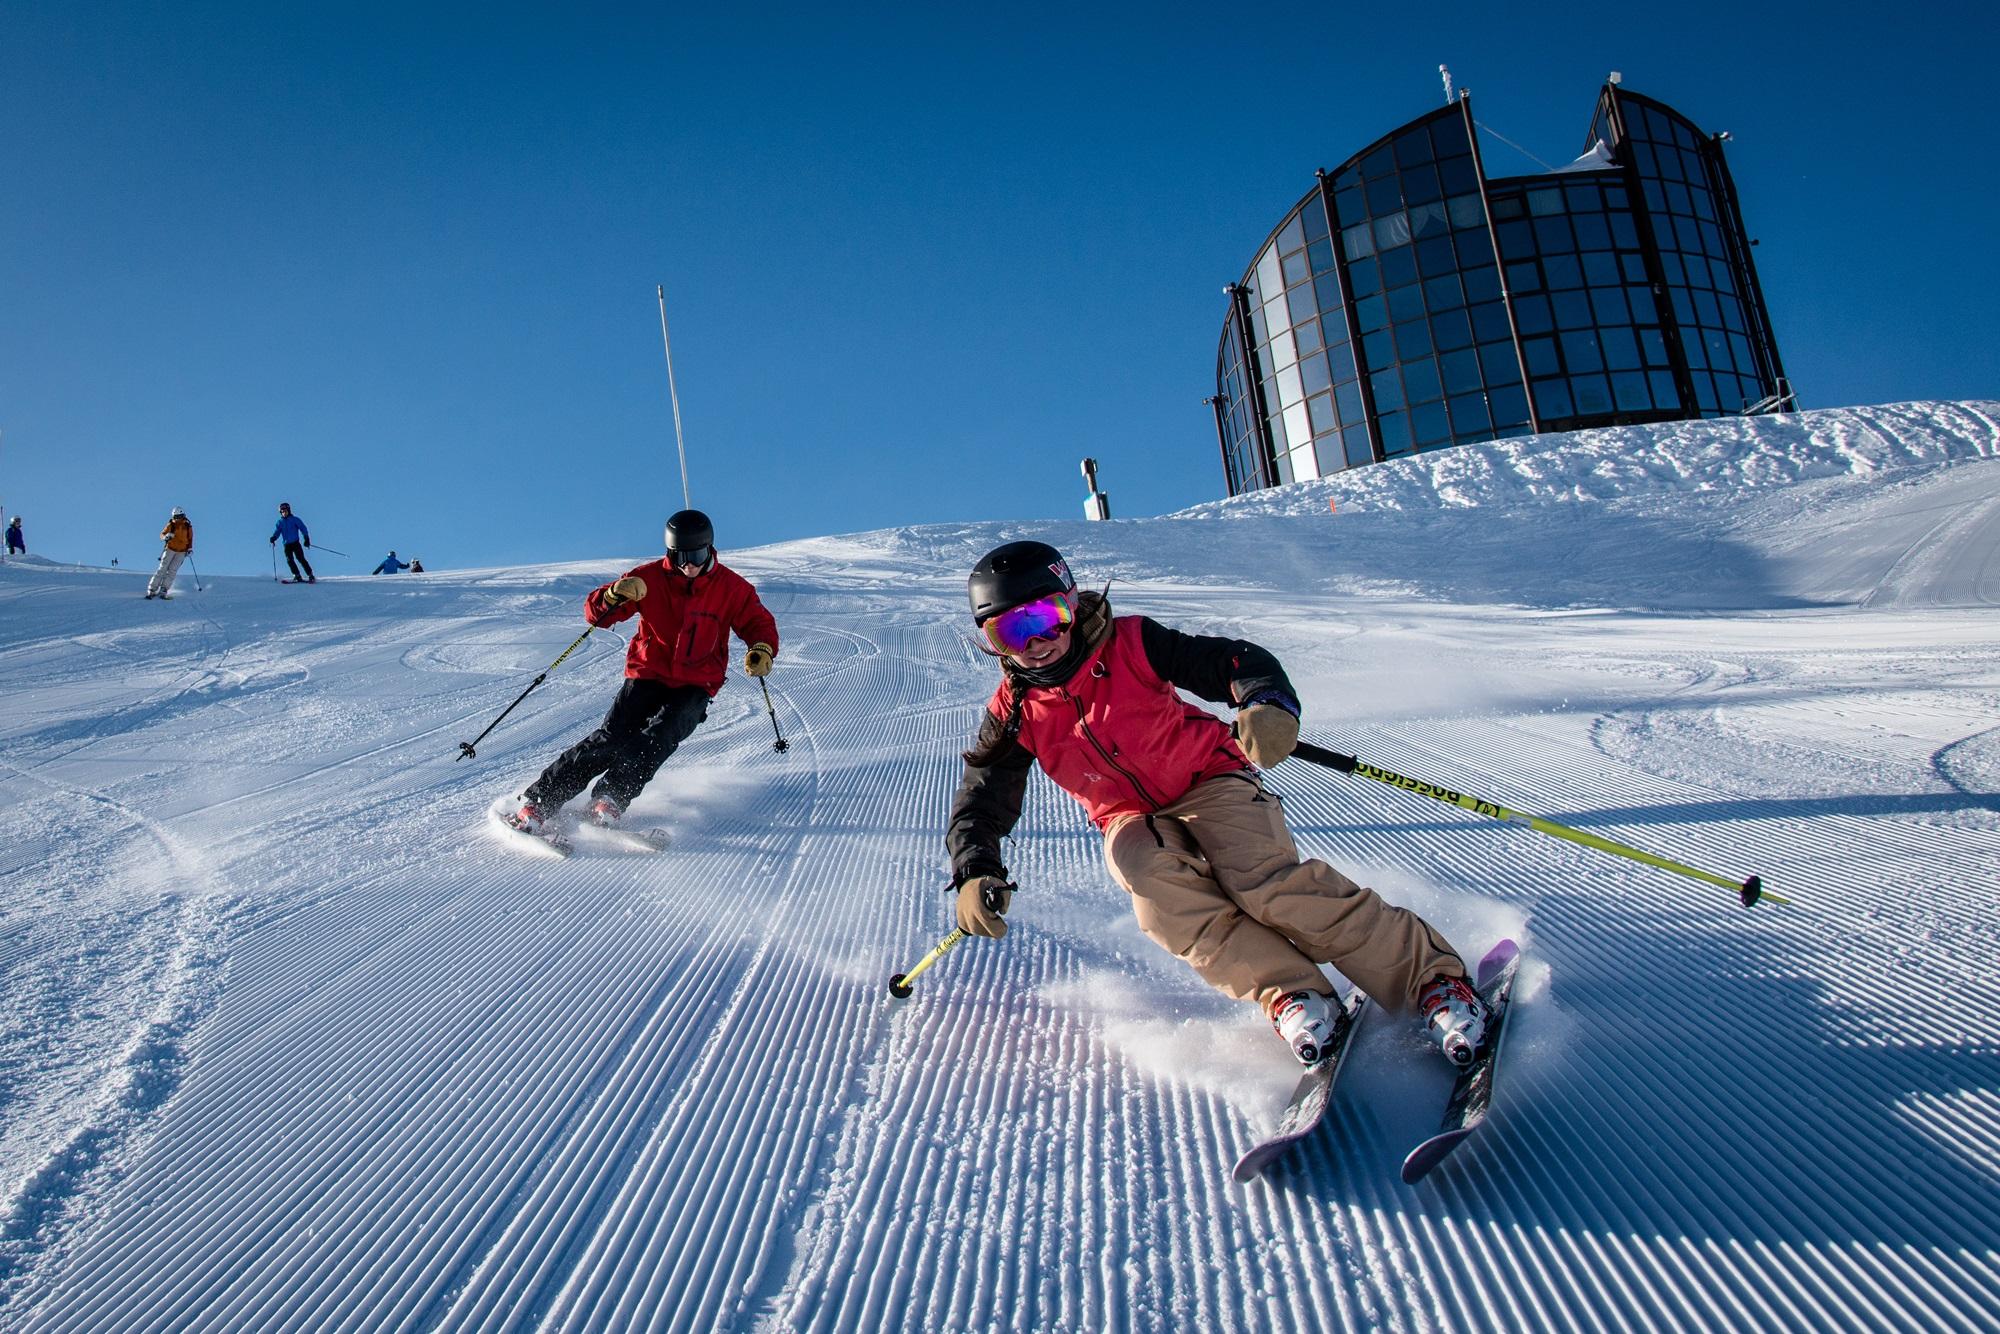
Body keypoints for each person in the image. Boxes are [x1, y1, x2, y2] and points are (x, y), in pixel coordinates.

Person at [943, 540, 1490, 1069]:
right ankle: (1295, 993)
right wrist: (974, 870)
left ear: (1071, 602)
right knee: (1158, 901)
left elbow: (1231, 661)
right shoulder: (1014, 711)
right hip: (1128, 817)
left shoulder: (1131, 643)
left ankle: (1431, 980)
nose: (1035, 641)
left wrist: (1264, 702)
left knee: (1262, 882)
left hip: (1210, 777)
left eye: (1045, 616)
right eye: (1010, 631)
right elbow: (982, 799)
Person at [507, 509, 779, 833]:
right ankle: (540, 801)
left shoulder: (732, 589)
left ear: (709, 550)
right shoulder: (648, 578)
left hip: (697, 681)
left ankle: (610, 798)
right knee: (613, 737)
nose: (688, 565)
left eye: (696, 555)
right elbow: (597, 615)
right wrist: (613, 594)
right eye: (680, 556)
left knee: (661, 737)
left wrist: (761, 648)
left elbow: (758, 623)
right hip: (649, 671)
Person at [145, 507, 194, 598]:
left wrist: (190, 549)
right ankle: (152, 589)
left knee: (172, 571)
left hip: (181, 551)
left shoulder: (187, 526)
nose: (177, 518)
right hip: (170, 549)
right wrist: (166, 537)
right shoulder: (171, 524)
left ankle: (164, 589)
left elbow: (190, 538)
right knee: (162, 568)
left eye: (179, 516)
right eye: (176, 516)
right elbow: (162, 534)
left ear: (183, 515)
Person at [269, 502, 314, 583]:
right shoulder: (280, 522)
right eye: (282, 512)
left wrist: (306, 538)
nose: (284, 513)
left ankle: (310, 574)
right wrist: (274, 537)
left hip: (295, 543)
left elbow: (303, 528)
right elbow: (277, 531)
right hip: (287, 545)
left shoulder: (294, 520)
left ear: (289, 511)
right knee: (289, 560)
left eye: (285, 511)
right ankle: (297, 575)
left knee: (300, 558)